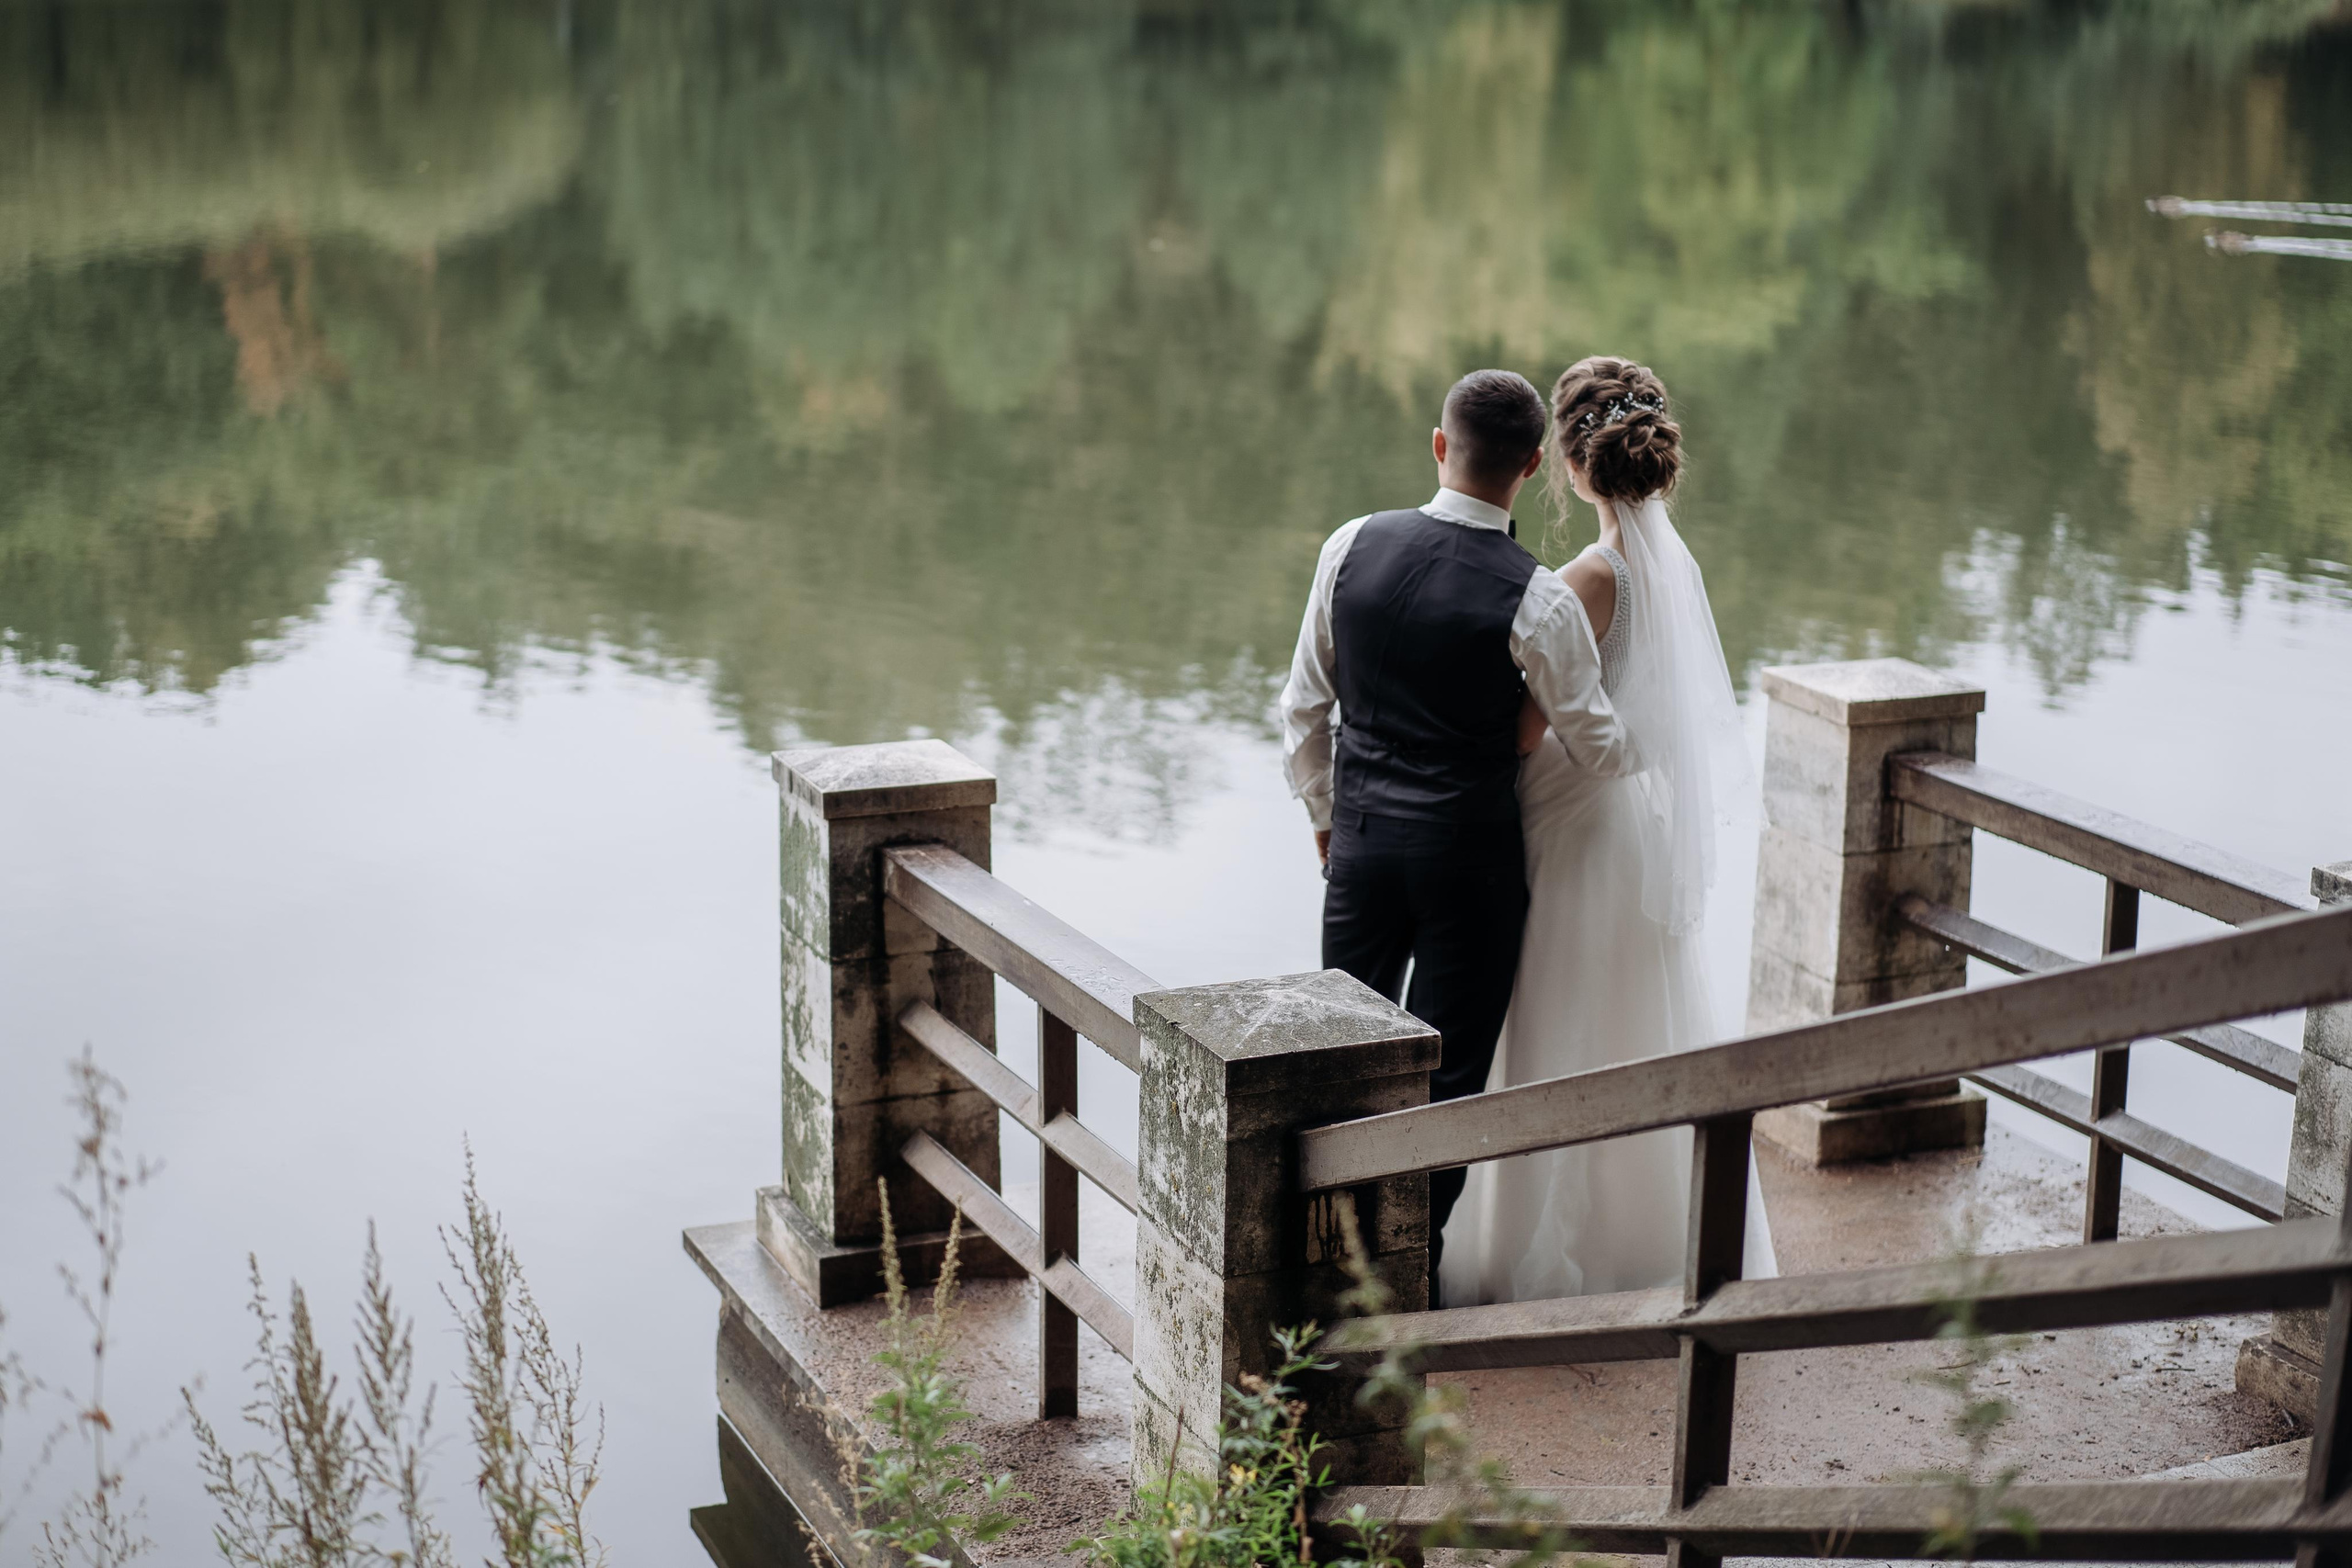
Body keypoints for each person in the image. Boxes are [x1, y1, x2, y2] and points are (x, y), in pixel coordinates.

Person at [1277, 368, 1642, 1278]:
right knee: (1443, 1083)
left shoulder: (1349, 545)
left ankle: (1312, 1263)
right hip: (1471, 868)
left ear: (1439, 446)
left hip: (1358, 852)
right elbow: (1597, 746)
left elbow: (1300, 710)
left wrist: (1329, 820)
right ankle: (1407, 1271)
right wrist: (1648, 741)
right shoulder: (1539, 597)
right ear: (1528, 468)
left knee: (1336, 1060)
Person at [1439, 355, 1774, 1304]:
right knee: (1630, 1026)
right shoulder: (1676, 570)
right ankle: (1653, 1244)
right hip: (1631, 828)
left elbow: (1529, 728)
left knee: (1552, 1024)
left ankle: (1529, 1255)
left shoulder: (1587, 578)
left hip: (1570, 827)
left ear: (1573, 467)